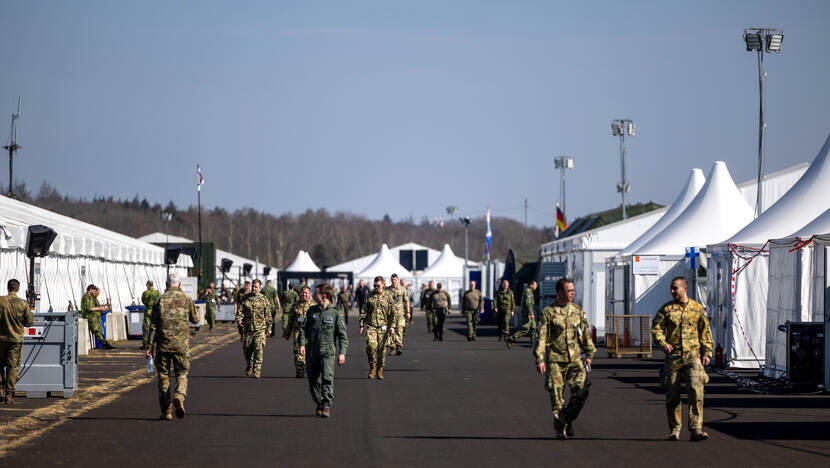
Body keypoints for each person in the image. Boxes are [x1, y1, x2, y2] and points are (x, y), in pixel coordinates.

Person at [651, 276, 714, 442]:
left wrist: (707, 352)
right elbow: (656, 328)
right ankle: (674, 429)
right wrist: (662, 343)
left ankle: (696, 429)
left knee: (696, 391)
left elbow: (705, 331)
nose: (672, 291)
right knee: (672, 394)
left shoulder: (697, 309)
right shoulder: (667, 309)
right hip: (674, 358)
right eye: (671, 288)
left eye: (675, 288)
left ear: (684, 288)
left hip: (693, 356)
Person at [535, 278, 596, 439]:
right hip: (555, 360)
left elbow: (585, 334)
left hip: (575, 359)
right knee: (557, 397)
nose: (572, 294)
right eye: (569, 291)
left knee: (582, 391)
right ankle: (560, 429)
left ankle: (565, 419)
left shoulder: (577, 311)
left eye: (573, 291)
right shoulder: (549, 312)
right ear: (560, 292)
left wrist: (589, 354)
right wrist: (540, 359)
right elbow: (541, 337)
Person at [145, 273, 198, 420]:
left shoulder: (159, 300)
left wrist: (149, 347)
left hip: (163, 346)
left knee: (163, 376)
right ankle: (179, 396)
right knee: (181, 374)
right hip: (181, 346)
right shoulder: (187, 299)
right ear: (179, 284)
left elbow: (153, 326)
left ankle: (166, 411)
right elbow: (195, 319)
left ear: (166, 284)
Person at [298, 283, 348, 417]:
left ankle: (326, 406)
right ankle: (319, 401)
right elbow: (303, 329)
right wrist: (302, 344)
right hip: (312, 352)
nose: (313, 295)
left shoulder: (336, 312)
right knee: (313, 380)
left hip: (327, 352)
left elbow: (343, 336)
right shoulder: (311, 311)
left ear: (323, 296)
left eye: (316, 293)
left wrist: (342, 353)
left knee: (327, 379)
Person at [0, 279, 33, 404]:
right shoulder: (23, 304)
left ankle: (0, 389)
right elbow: (29, 322)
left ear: (7, 287)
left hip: (0, 339)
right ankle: (9, 394)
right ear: (18, 289)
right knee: (13, 366)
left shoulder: (1, 301)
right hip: (16, 339)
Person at [236, 279, 274, 378]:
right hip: (248, 329)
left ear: (259, 288)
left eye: (256, 287)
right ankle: (249, 364)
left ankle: (257, 370)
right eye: (253, 286)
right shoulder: (245, 298)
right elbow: (240, 312)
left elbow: (268, 315)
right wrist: (239, 320)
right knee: (247, 350)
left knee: (258, 349)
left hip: (260, 329)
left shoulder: (264, 299)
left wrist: (269, 328)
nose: (253, 288)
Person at [359, 276, 394, 379]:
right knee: (371, 346)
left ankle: (380, 370)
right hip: (371, 326)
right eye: (375, 285)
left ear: (383, 284)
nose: (376, 287)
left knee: (381, 350)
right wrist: (361, 325)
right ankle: (372, 367)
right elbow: (363, 311)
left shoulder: (388, 296)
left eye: (378, 285)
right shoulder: (369, 296)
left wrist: (392, 326)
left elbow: (393, 313)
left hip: (383, 327)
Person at [283, 285, 315, 378]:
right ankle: (300, 370)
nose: (304, 294)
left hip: (310, 333)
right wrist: (287, 333)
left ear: (309, 295)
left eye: (306, 293)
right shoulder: (296, 304)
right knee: (298, 352)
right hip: (298, 332)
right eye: (302, 292)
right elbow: (291, 320)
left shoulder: (314, 305)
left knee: (310, 353)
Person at [81, 284, 114, 349]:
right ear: (90, 290)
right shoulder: (87, 297)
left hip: (94, 316)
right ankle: (105, 344)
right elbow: (89, 308)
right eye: (94, 291)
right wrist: (99, 308)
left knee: (100, 330)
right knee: (97, 330)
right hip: (89, 316)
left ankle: (105, 344)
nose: (95, 292)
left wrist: (100, 308)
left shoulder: (91, 297)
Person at [507, 281, 537, 349]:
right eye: (535, 285)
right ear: (531, 285)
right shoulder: (528, 292)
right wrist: (531, 313)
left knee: (533, 329)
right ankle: (511, 339)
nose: (536, 286)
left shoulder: (530, 292)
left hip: (529, 314)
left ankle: (532, 345)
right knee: (525, 329)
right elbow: (528, 303)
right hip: (527, 314)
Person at [385, 274, 410, 355]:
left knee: (399, 329)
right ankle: (393, 348)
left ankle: (398, 347)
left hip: (400, 313)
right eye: (392, 279)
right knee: (391, 331)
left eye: (395, 279)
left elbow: (406, 301)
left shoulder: (402, 289)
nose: (393, 281)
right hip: (390, 314)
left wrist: (408, 312)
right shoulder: (387, 290)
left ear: (397, 280)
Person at [140, 281, 160, 349]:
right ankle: (156, 342)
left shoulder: (145, 293)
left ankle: (145, 343)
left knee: (146, 327)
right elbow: (159, 301)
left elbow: (143, 301)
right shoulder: (157, 293)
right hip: (155, 311)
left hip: (148, 311)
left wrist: (148, 305)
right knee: (156, 327)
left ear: (148, 285)